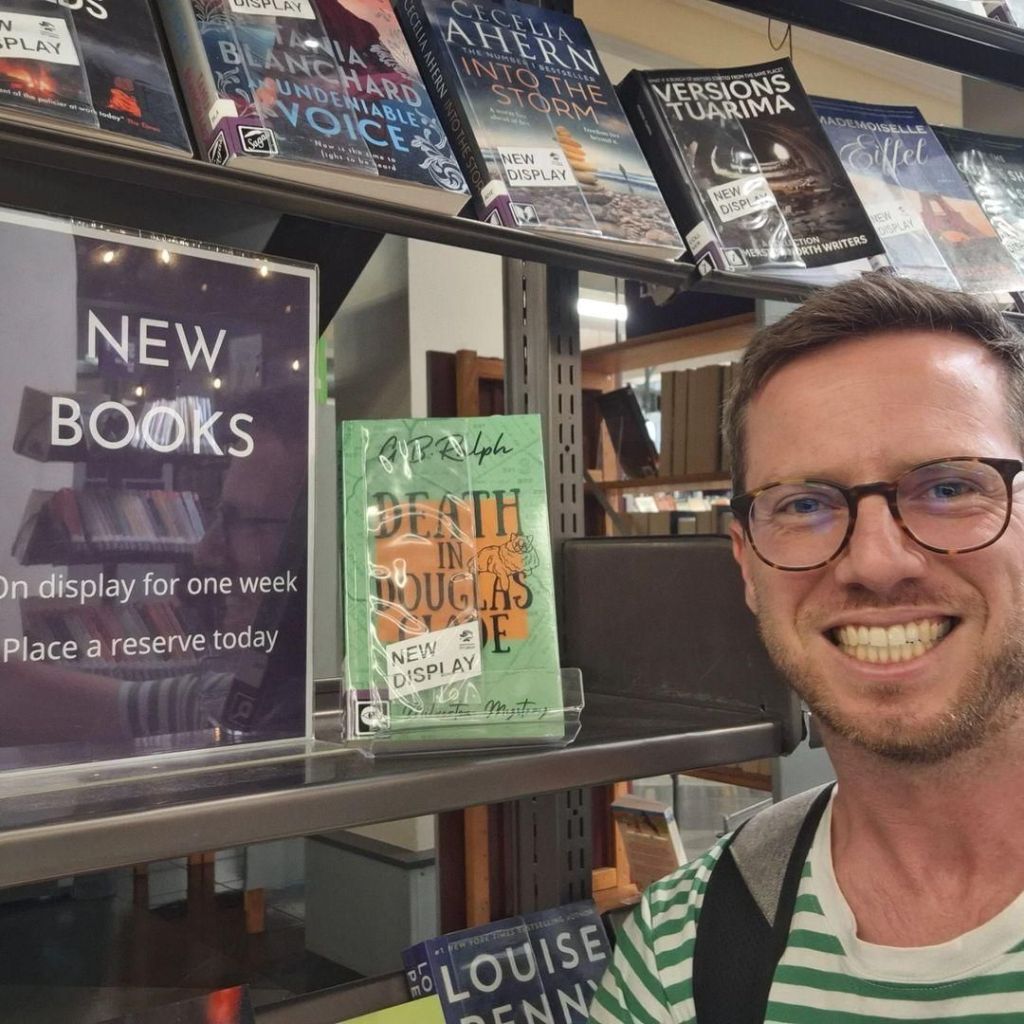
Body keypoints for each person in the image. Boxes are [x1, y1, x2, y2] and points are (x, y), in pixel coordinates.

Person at [589, 271, 1024, 1022]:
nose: (877, 563)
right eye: (805, 505)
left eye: (949, 488)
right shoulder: (680, 950)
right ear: (747, 565)